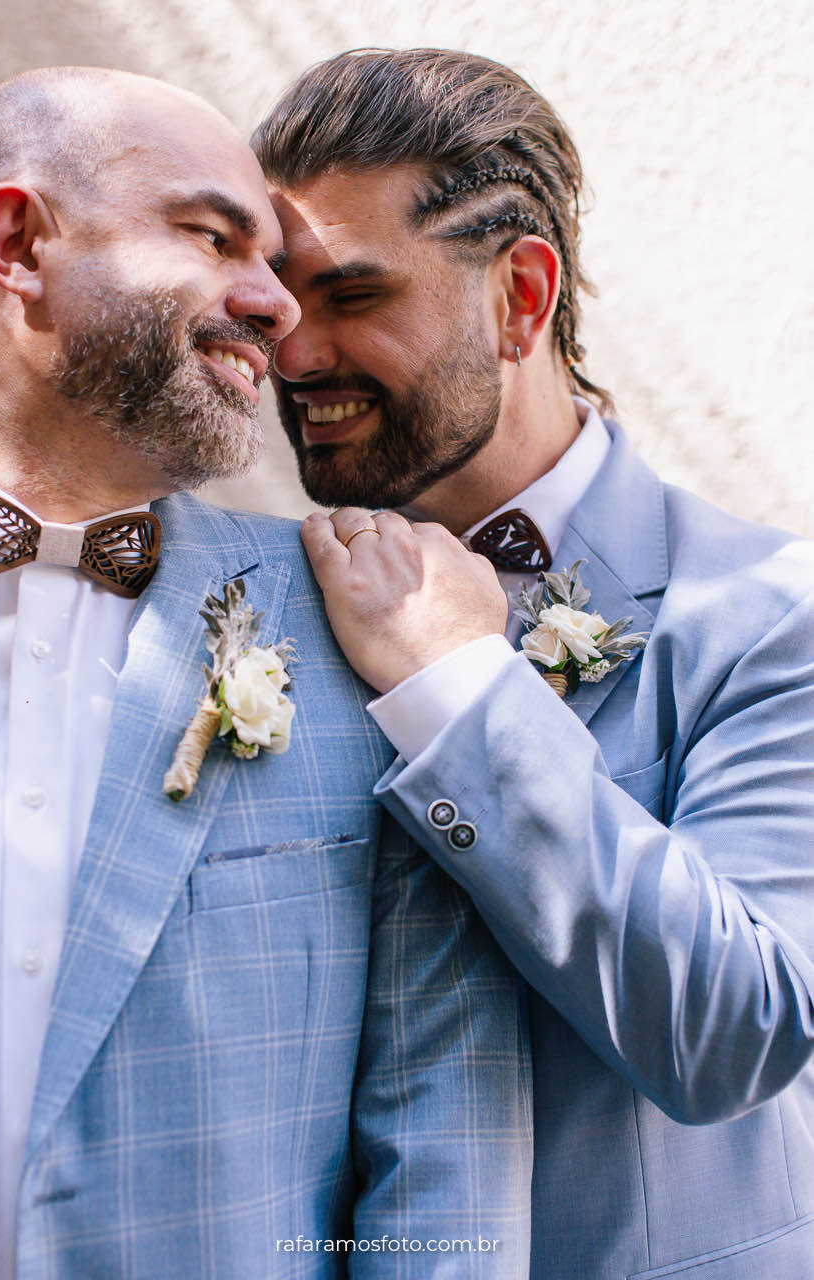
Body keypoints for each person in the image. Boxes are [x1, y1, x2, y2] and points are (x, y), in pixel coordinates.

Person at [0, 66, 533, 1278]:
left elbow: (445, 1129)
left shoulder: (362, 625)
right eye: (214, 235)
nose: (277, 310)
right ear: (17, 241)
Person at [253, 48, 814, 1279]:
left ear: (520, 296)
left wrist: (458, 683)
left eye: (351, 295)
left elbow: (736, 1029)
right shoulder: (253, 611)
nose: (292, 357)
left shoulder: (770, 615)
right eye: (279, 305)